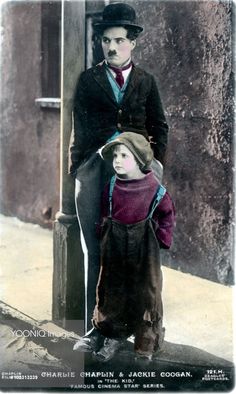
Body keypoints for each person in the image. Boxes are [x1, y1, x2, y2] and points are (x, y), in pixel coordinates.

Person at [69, 2, 169, 332]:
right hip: (96, 170)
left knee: (139, 254)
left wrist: (154, 167)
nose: (112, 47)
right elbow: (78, 128)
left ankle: (137, 331)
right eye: (106, 40)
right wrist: (82, 168)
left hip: (138, 177)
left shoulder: (145, 81)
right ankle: (94, 330)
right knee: (95, 252)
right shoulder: (88, 80)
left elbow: (159, 125)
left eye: (119, 40)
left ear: (133, 42)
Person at [74, 132, 175, 362]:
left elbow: (167, 214)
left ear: (139, 160)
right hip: (116, 245)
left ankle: (146, 344)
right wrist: (103, 229)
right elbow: (105, 210)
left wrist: (161, 237)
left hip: (143, 249)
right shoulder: (112, 186)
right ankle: (113, 337)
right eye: (115, 156)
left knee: (146, 294)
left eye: (124, 156)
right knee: (113, 291)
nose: (117, 161)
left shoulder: (154, 189)